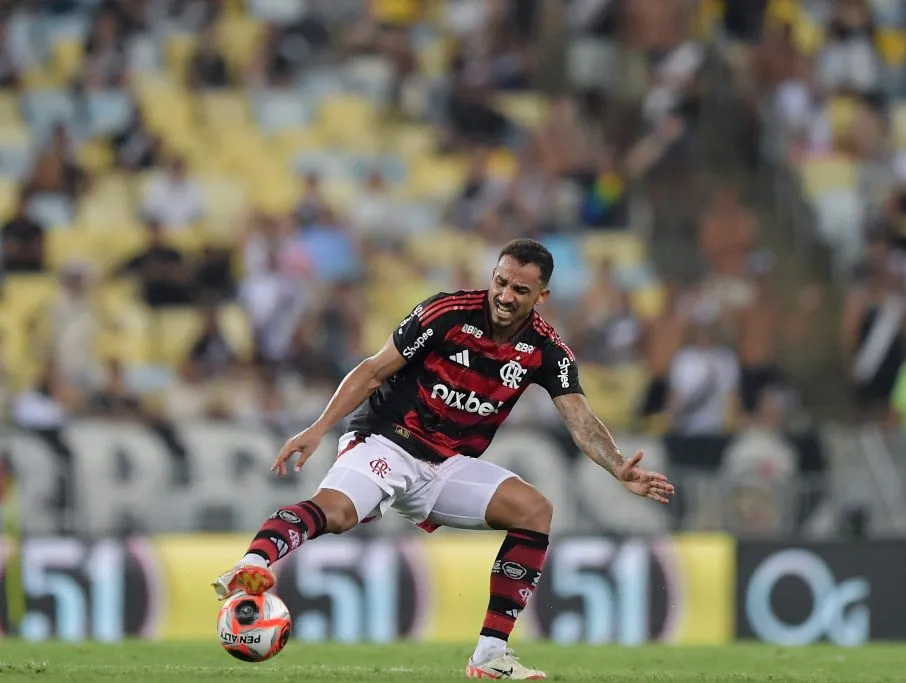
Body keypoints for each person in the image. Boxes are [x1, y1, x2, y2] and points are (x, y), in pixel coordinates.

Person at [211, 238, 675, 679]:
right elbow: (373, 370)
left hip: (446, 465)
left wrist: (618, 466)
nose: (506, 295)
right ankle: (253, 563)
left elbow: (579, 418)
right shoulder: (446, 313)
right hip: (387, 441)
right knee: (338, 513)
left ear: (542, 295)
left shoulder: (546, 351)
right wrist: (317, 428)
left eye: (520, 289)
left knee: (535, 511)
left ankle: (491, 653)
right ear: (492, 275)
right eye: (501, 281)